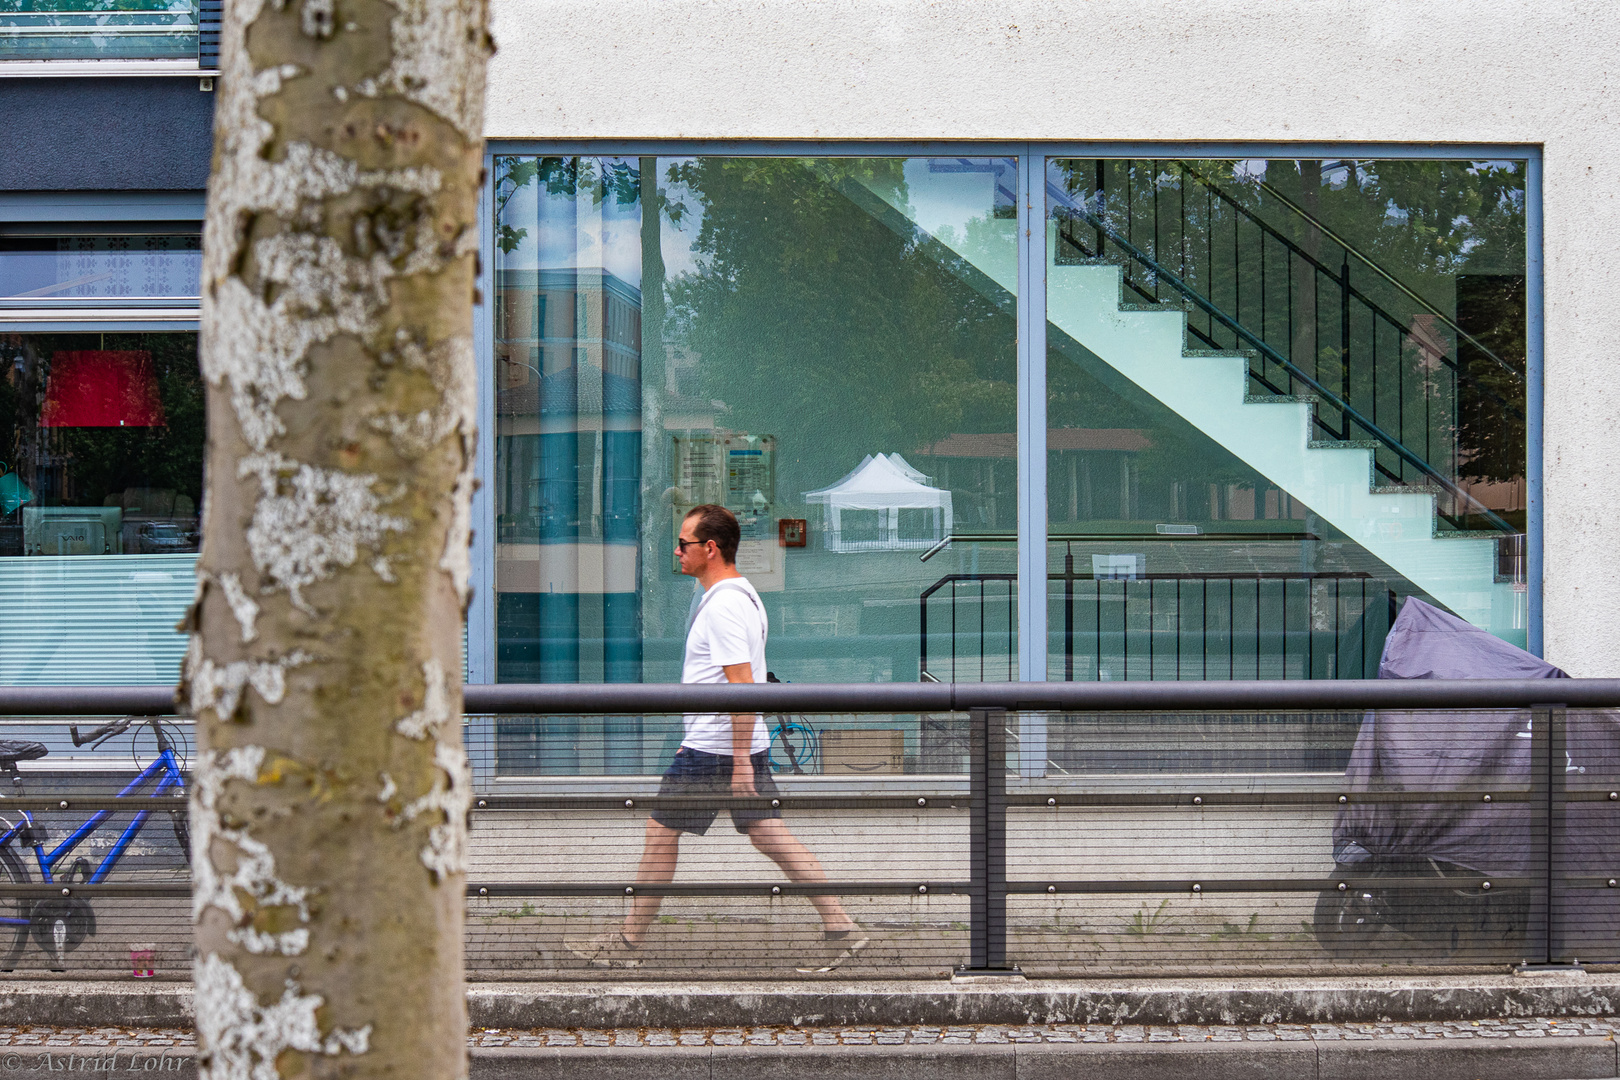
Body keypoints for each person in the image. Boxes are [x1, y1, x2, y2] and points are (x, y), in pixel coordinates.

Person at [566, 504, 866, 972]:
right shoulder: (738, 595)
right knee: (768, 834)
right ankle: (841, 926)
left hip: (715, 746)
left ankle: (627, 945)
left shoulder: (726, 604)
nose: (677, 551)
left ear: (710, 548)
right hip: (731, 744)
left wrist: (741, 758)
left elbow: (742, 685)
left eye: (684, 543)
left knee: (661, 835)